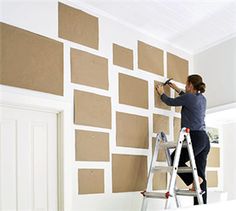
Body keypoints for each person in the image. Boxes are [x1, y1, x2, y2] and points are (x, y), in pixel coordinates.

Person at [155, 74, 210, 205]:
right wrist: (177, 89)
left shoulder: (189, 98)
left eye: (186, 84)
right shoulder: (202, 98)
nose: (185, 86)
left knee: (175, 160)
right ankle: (202, 206)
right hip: (204, 139)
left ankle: (195, 180)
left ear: (191, 85)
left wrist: (161, 93)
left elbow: (170, 102)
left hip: (194, 138)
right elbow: (187, 98)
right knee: (201, 173)